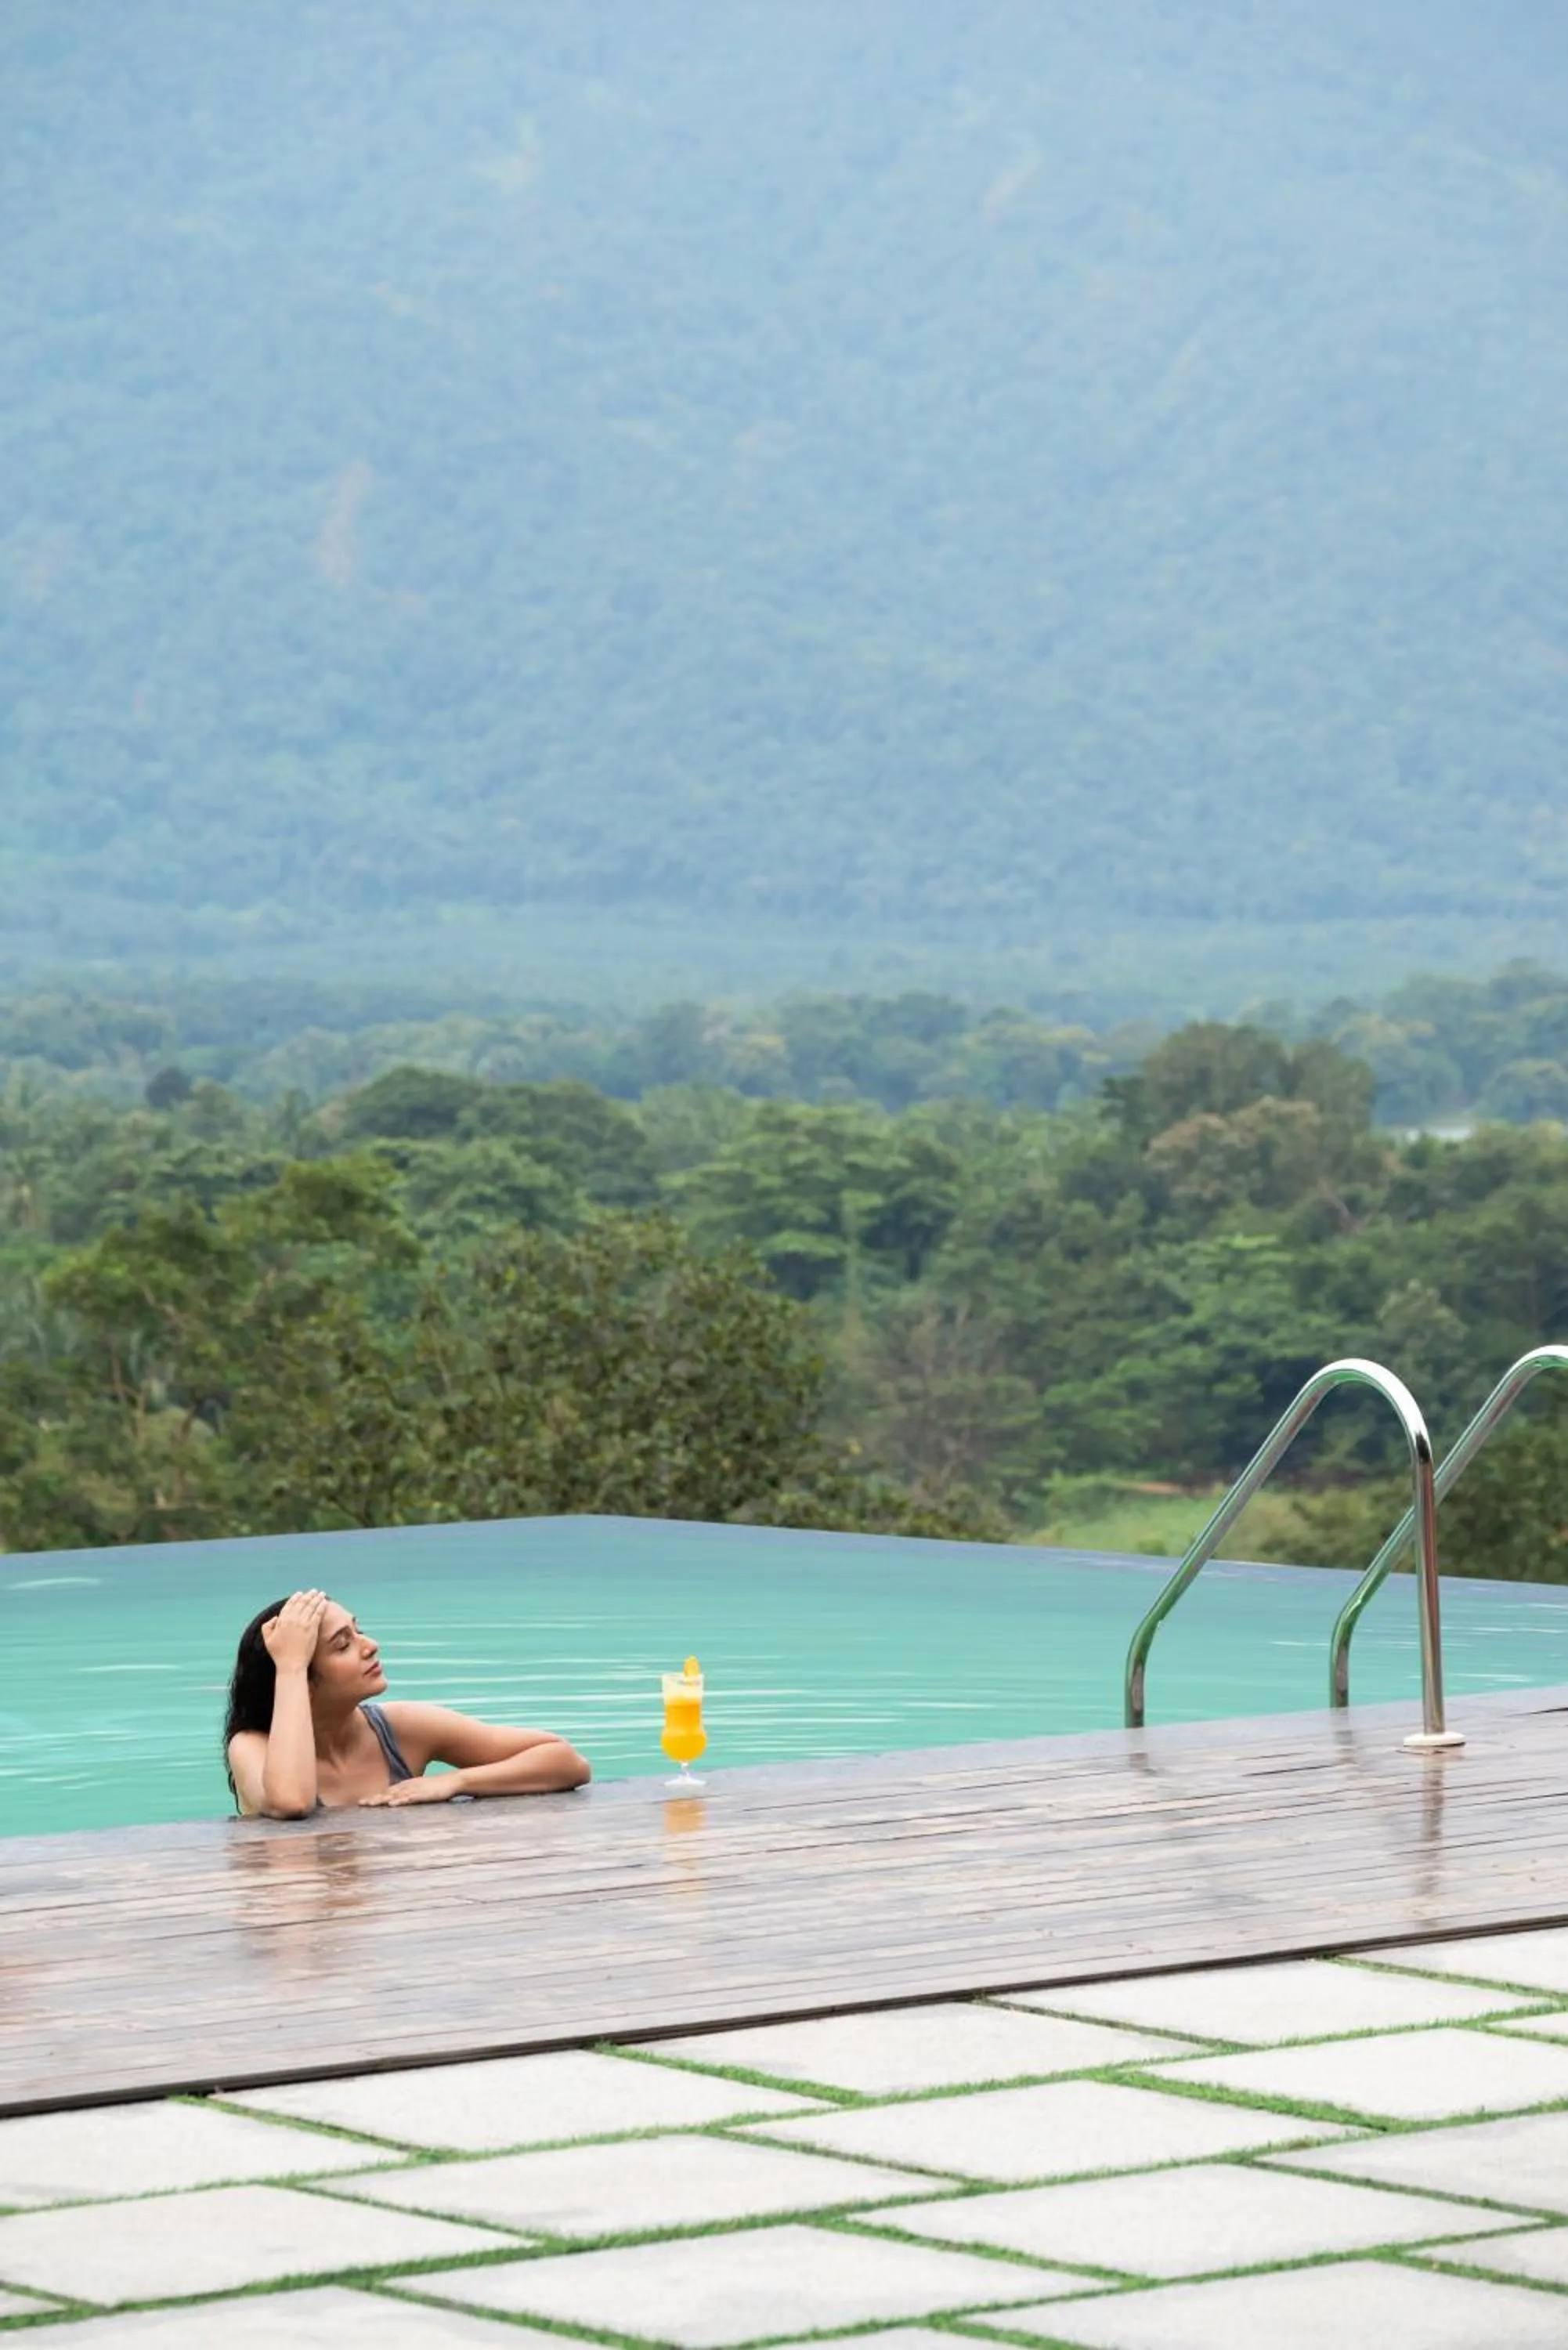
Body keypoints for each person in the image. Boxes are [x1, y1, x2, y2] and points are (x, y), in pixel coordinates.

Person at [224, 1589, 591, 1818]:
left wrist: (456, 1781)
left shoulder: (401, 1728)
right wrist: (290, 1665)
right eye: (343, 1644)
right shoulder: (252, 1747)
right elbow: (291, 1802)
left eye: (359, 1630)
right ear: (301, 1682)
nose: (371, 1645)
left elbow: (566, 1762)